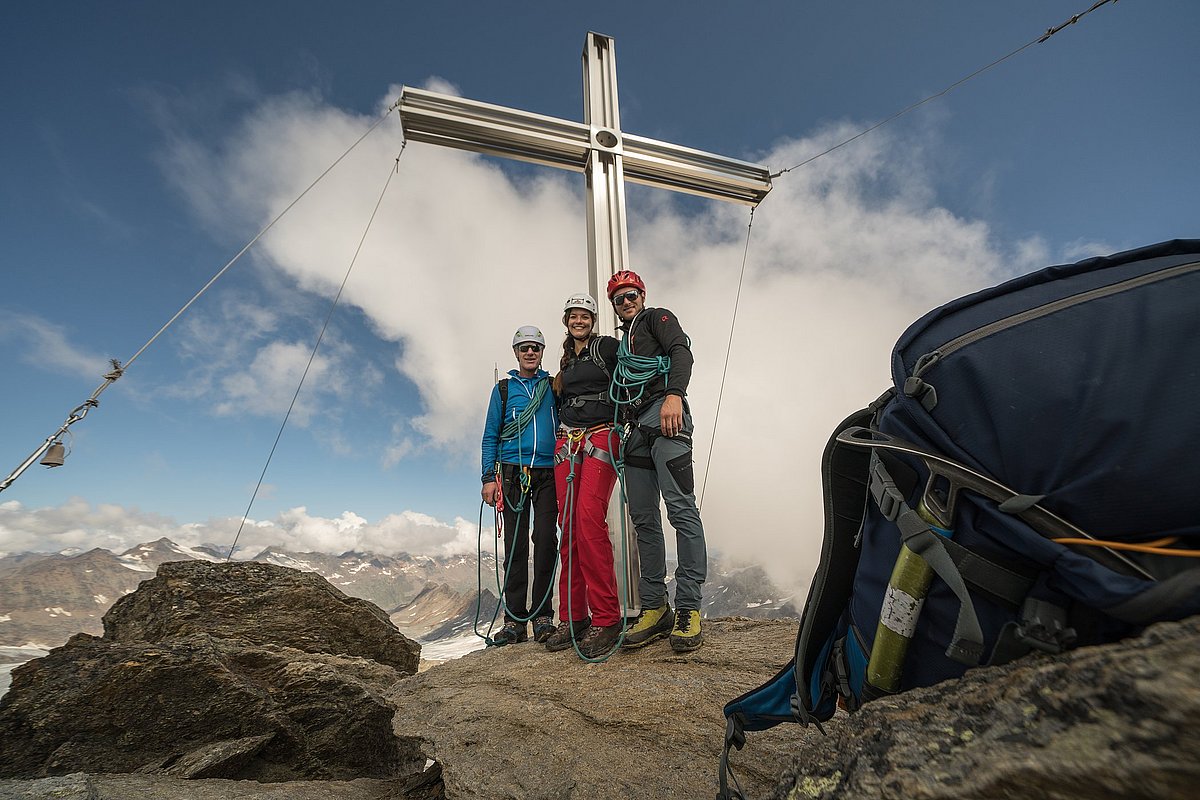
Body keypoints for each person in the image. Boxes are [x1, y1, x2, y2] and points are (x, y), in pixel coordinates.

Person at [608, 270, 708, 652]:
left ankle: (688, 607)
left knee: (681, 509)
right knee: (644, 519)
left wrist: (675, 395)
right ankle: (655, 606)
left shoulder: (657, 318)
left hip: (665, 417)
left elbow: (681, 352)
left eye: (632, 294)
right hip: (635, 428)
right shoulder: (622, 343)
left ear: (643, 295)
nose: (627, 301)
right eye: (619, 298)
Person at [543, 293, 625, 660]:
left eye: (585, 316)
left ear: (593, 319)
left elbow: (631, 369)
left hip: (600, 436)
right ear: (566, 321)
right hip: (568, 442)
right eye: (573, 316)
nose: (579, 321)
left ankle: (607, 618)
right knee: (569, 529)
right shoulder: (566, 361)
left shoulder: (607, 347)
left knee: (590, 523)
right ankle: (573, 616)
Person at [480, 325, 559, 645]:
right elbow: (490, 434)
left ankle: (542, 616)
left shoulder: (553, 386)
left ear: (542, 352)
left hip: (548, 472)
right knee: (515, 545)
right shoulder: (503, 389)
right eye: (524, 347)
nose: (530, 352)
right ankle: (514, 621)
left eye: (535, 347)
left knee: (545, 540)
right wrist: (488, 477)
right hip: (511, 472)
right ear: (516, 352)